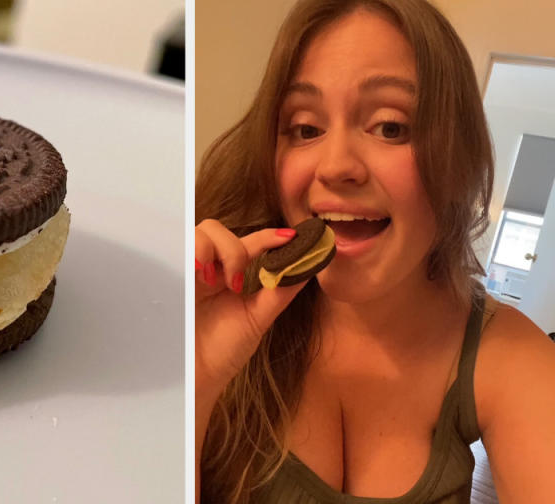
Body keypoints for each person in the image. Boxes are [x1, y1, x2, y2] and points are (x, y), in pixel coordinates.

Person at [194, 0, 555, 502]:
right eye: (306, 128)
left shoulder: (512, 356)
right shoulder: (208, 306)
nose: (336, 165)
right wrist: (200, 377)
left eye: (391, 126)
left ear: (456, 156)